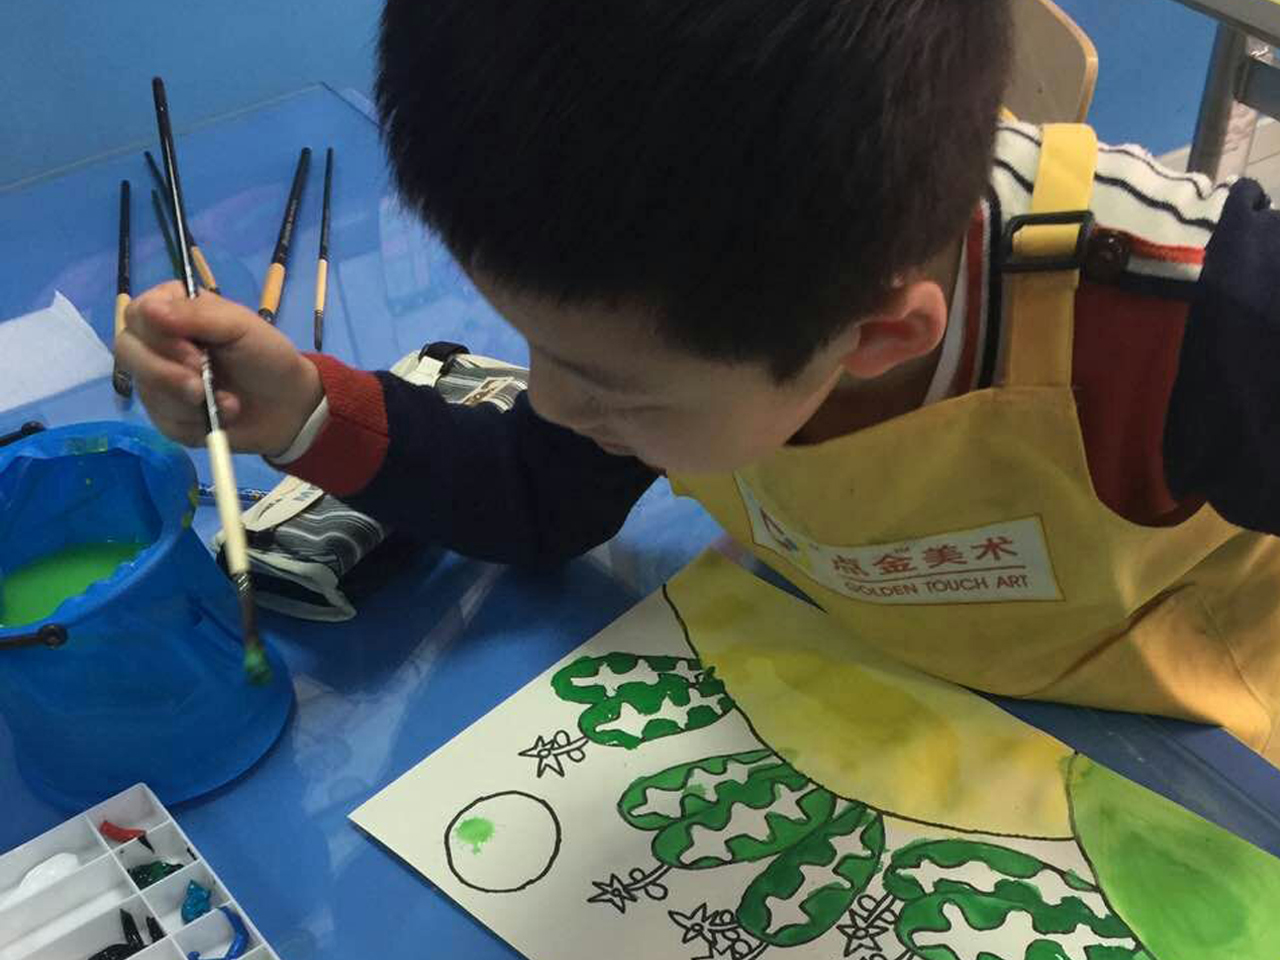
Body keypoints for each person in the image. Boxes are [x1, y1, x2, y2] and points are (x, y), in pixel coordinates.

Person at [117, 0, 1280, 760]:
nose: (552, 405)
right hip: (882, 701)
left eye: (609, 388)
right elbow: (534, 495)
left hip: (1186, 741)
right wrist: (301, 412)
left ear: (878, 339)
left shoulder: (1196, 319)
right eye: (531, 345)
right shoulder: (673, 289)